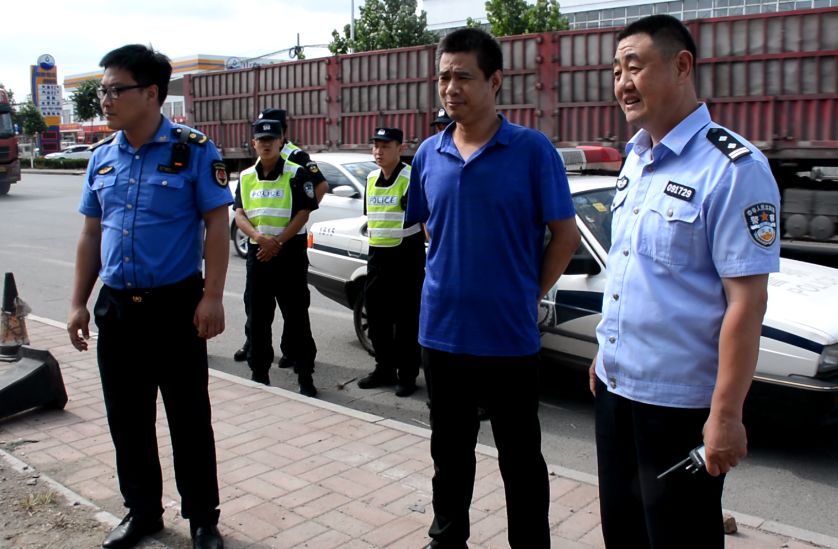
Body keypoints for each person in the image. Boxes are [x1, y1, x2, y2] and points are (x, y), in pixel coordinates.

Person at [590, 15, 780, 549]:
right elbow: (633, 270)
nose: (623, 83)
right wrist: (605, 351)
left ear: (681, 66)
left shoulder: (732, 168)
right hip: (615, 393)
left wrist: (726, 415)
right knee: (623, 535)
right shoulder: (636, 157)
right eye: (616, 71)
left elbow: (747, 302)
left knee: (680, 540)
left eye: (634, 67)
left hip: (677, 409)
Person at [405, 28, 580, 549]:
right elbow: (431, 227)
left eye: (463, 76)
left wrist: (528, 292)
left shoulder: (531, 150)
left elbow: (565, 236)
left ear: (495, 81)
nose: (450, 87)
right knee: (448, 452)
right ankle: (447, 540)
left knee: (520, 457)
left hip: (509, 337)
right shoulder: (428, 153)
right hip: (442, 334)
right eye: (443, 77)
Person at [67, 44, 228, 549]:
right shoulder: (101, 158)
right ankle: (142, 512)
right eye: (103, 91)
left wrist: (213, 297)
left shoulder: (193, 150)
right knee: (127, 418)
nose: (106, 100)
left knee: (189, 418)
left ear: (152, 93)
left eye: (116, 90)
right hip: (118, 310)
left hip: (176, 308)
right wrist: (77, 301)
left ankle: (202, 519)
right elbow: (92, 234)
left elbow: (217, 226)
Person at [233, 108, 327, 366]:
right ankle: (253, 345)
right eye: (261, 133)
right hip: (260, 244)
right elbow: (241, 211)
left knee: (293, 306)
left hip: (289, 243)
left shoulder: (295, 157)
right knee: (255, 304)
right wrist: (261, 237)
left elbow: (320, 186)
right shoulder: (251, 170)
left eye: (272, 132)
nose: (266, 139)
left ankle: (292, 351)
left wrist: (298, 215)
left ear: (282, 134)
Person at [357, 127, 425, 397]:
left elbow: (424, 220)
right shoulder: (371, 178)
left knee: (406, 322)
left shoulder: (411, 178)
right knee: (377, 319)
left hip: (405, 258)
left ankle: (407, 375)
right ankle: (383, 368)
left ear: (400, 148)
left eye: (385, 146)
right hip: (377, 258)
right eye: (376, 146)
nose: (379, 151)